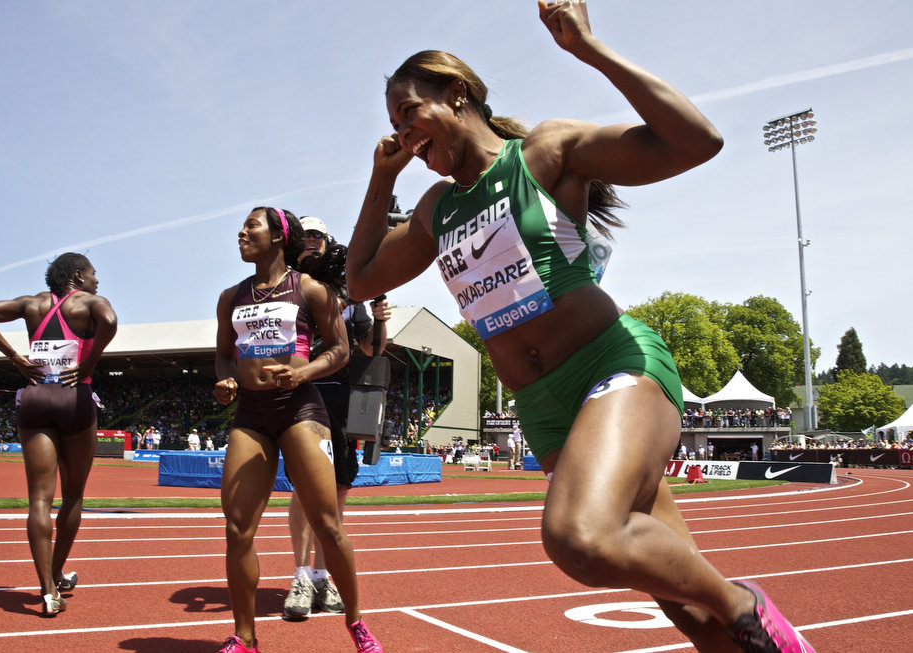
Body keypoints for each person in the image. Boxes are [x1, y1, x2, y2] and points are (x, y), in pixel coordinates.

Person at [344, 3, 813, 652]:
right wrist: (380, 177)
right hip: (543, 411)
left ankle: (744, 600)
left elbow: (696, 141)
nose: (403, 132)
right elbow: (360, 280)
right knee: (682, 605)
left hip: (612, 370)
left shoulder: (546, 151)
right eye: (393, 123)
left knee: (582, 537)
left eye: (409, 113)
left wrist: (589, 48)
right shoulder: (435, 209)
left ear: (457, 96)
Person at [213, 207, 381, 653]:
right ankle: (245, 636)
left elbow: (342, 351)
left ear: (277, 237)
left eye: (252, 226)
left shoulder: (309, 289)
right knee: (237, 529)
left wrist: (304, 375)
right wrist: (227, 379)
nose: (242, 233)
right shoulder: (230, 297)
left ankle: (356, 623)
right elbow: (224, 354)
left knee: (327, 524)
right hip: (251, 414)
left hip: (301, 409)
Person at [0, 252, 117, 616]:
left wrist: (15, 358)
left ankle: (50, 588)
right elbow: (110, 321)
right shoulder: (91, 302)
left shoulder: (31, 304)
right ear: (78, 276)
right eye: (94, 274)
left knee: (39, 498)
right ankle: (54, 572)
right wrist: (89, 362)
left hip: (35, 398)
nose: (98, 281)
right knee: (73, 496)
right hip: (75, 397)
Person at [283, 215, 391, 620]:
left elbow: (371, 353)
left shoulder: (350, 300)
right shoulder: (288, 290)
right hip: (302, 396)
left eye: (317, 236)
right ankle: (299, 576)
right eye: (304, 236)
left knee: (339, 489)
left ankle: (323, 575)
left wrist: (380, 324)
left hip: (343, 400)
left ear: (328, 244)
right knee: (305, 489)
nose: (310, 242)